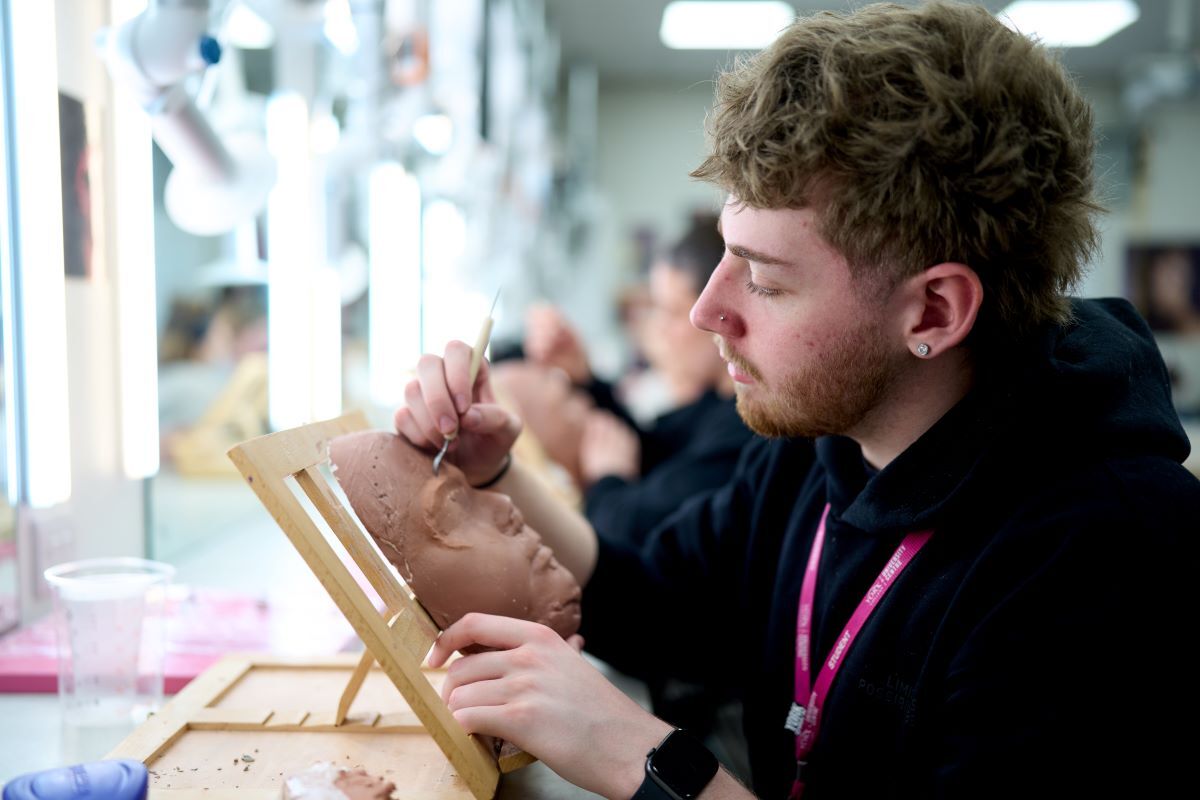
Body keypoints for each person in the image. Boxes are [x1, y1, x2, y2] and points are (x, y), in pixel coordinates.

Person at [395, 3, 1199, 799]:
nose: (706, 311)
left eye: (766, 279)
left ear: (933, 312)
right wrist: (497, 470)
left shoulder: (1111, 554)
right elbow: (648, 605)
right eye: (722, 256)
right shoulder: (824, 444)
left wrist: (647, 761)